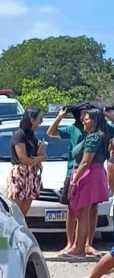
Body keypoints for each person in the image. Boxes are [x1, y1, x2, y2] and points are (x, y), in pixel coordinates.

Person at [74, 108, 114, 278]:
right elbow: (111, 169)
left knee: (87, 212)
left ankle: (82, 248)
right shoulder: (99, 139)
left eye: (88, 118)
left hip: (91, 176)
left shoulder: (97, 136)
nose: (84, 121)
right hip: (90, 177)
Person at [48, 106, 91, 257]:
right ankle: (70, 243)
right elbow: (51, 133)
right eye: (82, 114)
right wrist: (60, 116)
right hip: (72, 171)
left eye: (87, 113)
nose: (85, 117)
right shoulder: (73, 129)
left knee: (88, 210)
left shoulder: (99, 129)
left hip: (90, 173)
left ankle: (86, 244)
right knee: (71, 210)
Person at [9, 106, 45, 221]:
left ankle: (19, 237)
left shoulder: (32, 136)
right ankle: (2, 239)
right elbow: (23, 159)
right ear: (32, 120)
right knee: (14, 214)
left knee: (22, 216)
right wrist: (39, 159)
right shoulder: (19, 135)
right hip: (20, 174)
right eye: (40, 118)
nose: (41, 122)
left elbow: (33, 156)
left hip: (31, 175)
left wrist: (40, 154)